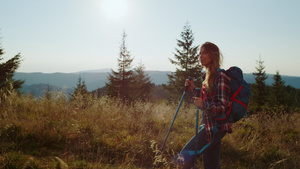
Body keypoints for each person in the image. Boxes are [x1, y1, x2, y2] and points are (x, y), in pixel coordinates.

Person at [177, 42, 232, 169]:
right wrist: (194, 89)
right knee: (211, 165)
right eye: (200, 53)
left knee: (184, 157)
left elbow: (223, 106)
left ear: (213, 55)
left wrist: (203, 105)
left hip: (215, 128)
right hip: (209, 127)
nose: (200, 56)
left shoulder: (220, 76)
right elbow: (208, 98)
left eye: (204, 53)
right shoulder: (208, 76)